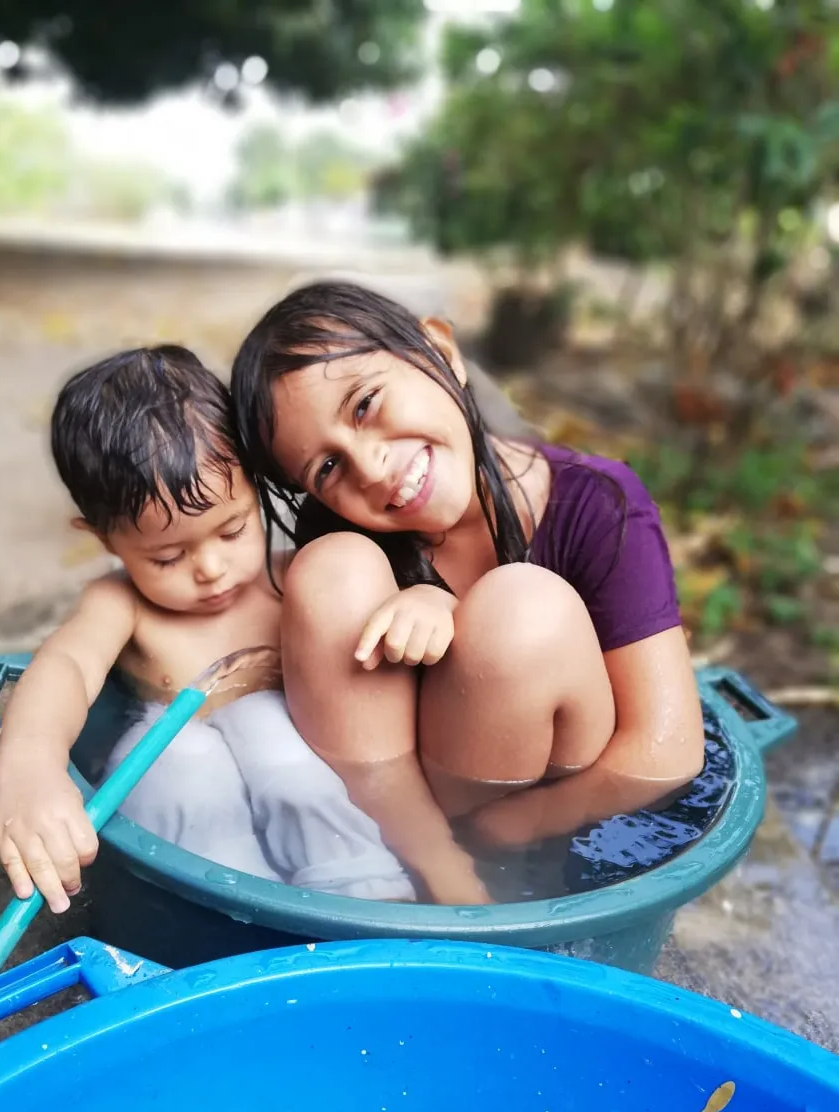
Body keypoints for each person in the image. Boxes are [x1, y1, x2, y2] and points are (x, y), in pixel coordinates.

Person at [230, 280, 705, 906]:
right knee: (329, 572)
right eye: (327, 468)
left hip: (544, 807)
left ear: (441, 351)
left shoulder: (597, 503)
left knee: (521, 608)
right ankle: (439, 879)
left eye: (366, 404)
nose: (371, 468)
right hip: (406, 817)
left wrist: (514, 828)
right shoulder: (347, 541)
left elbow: (665, 752)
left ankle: (490, 880)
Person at [0, 345, 414, 913]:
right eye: (167, 557)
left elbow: (389, 649)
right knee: (184, 759)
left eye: (234, 530)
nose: (210, 569)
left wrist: (426, 604)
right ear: (104, 539)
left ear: (255, 488)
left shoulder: (299, 578)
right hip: (192, 791)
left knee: (274, 736)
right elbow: (64, 668)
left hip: (302, 777)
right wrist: (30, 767)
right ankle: (227, 904)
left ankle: (367, 895)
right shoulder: (121, 602)